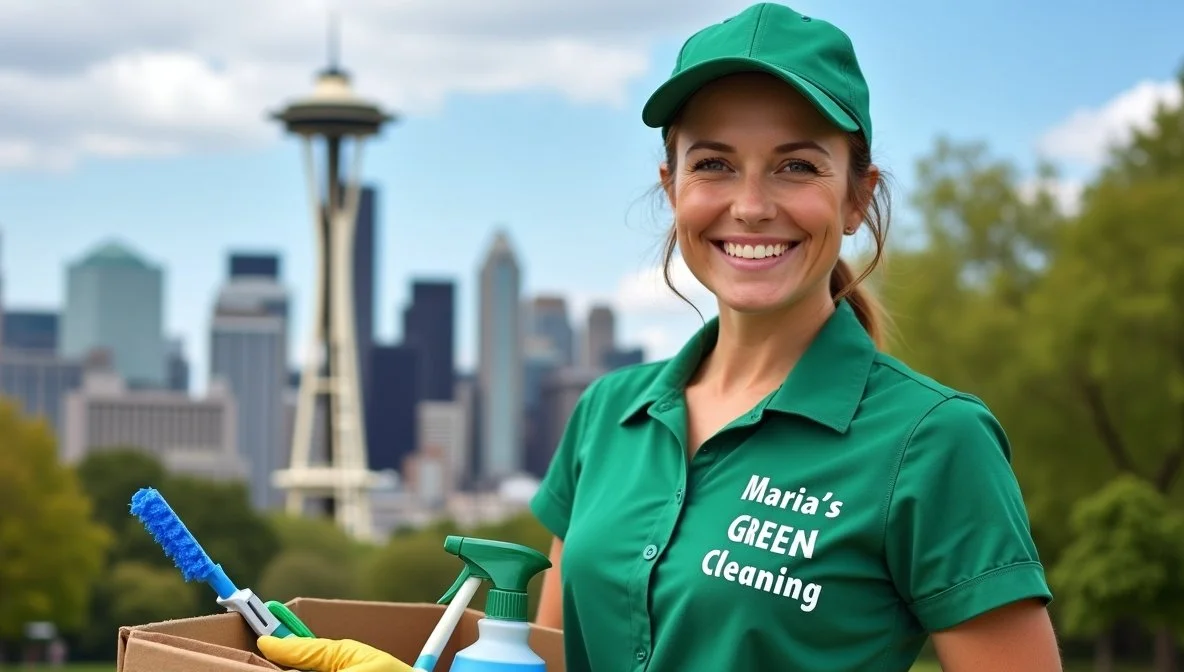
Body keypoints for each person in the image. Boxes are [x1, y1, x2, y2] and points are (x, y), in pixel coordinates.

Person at [256, 3, 1062, 671]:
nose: (750, 206)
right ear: (671, 186)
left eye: (795, 166)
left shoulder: (934, 442)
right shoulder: (607, 415)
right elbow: (553, 657)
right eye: (714, 164)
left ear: (857, 198)